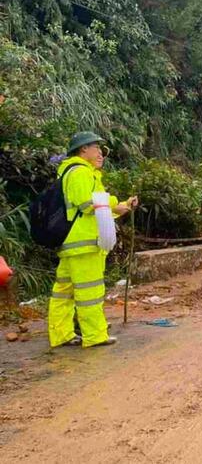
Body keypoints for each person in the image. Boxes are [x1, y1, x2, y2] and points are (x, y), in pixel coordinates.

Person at [49, 132, 138, 348]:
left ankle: (61, 334)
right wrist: (117, 202)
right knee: (90, 291)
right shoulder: (80, 172)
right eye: (96, 148)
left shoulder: (73, 172)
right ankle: (95, 335)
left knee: (64, 292)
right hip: (84, 244)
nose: (101, 153)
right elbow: (88, 203)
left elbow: (99, 208)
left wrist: (123, 206)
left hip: (72, 244)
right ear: (82, 150)